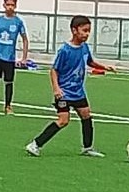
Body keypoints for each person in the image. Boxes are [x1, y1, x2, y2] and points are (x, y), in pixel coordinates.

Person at [24, 15, 114, 158]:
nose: (87, 34)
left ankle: (87, 148)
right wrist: (56, 89)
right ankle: (35, 144)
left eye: (89, 31)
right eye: (84, 30)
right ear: (74, 30)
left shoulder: (84, 48)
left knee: (86, 115)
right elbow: (54, 70)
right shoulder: (65, 50)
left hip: (78, 92)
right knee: (63, 120)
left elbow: (90, 62)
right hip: (64, 92)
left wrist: (105, 67)